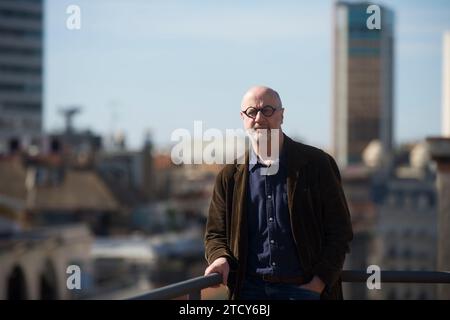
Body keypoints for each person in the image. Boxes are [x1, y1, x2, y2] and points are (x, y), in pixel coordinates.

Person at [204, 86, 353, 300]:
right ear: (242, 118)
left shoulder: (317, 164)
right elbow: (215, 234)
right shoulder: (229, 176)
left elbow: (340, 230)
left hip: (304, 290)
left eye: (267, 110)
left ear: (282, 115)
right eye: (251, 112)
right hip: (249, 292)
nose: (259, 118)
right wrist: (219, 258)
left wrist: (319, 283)